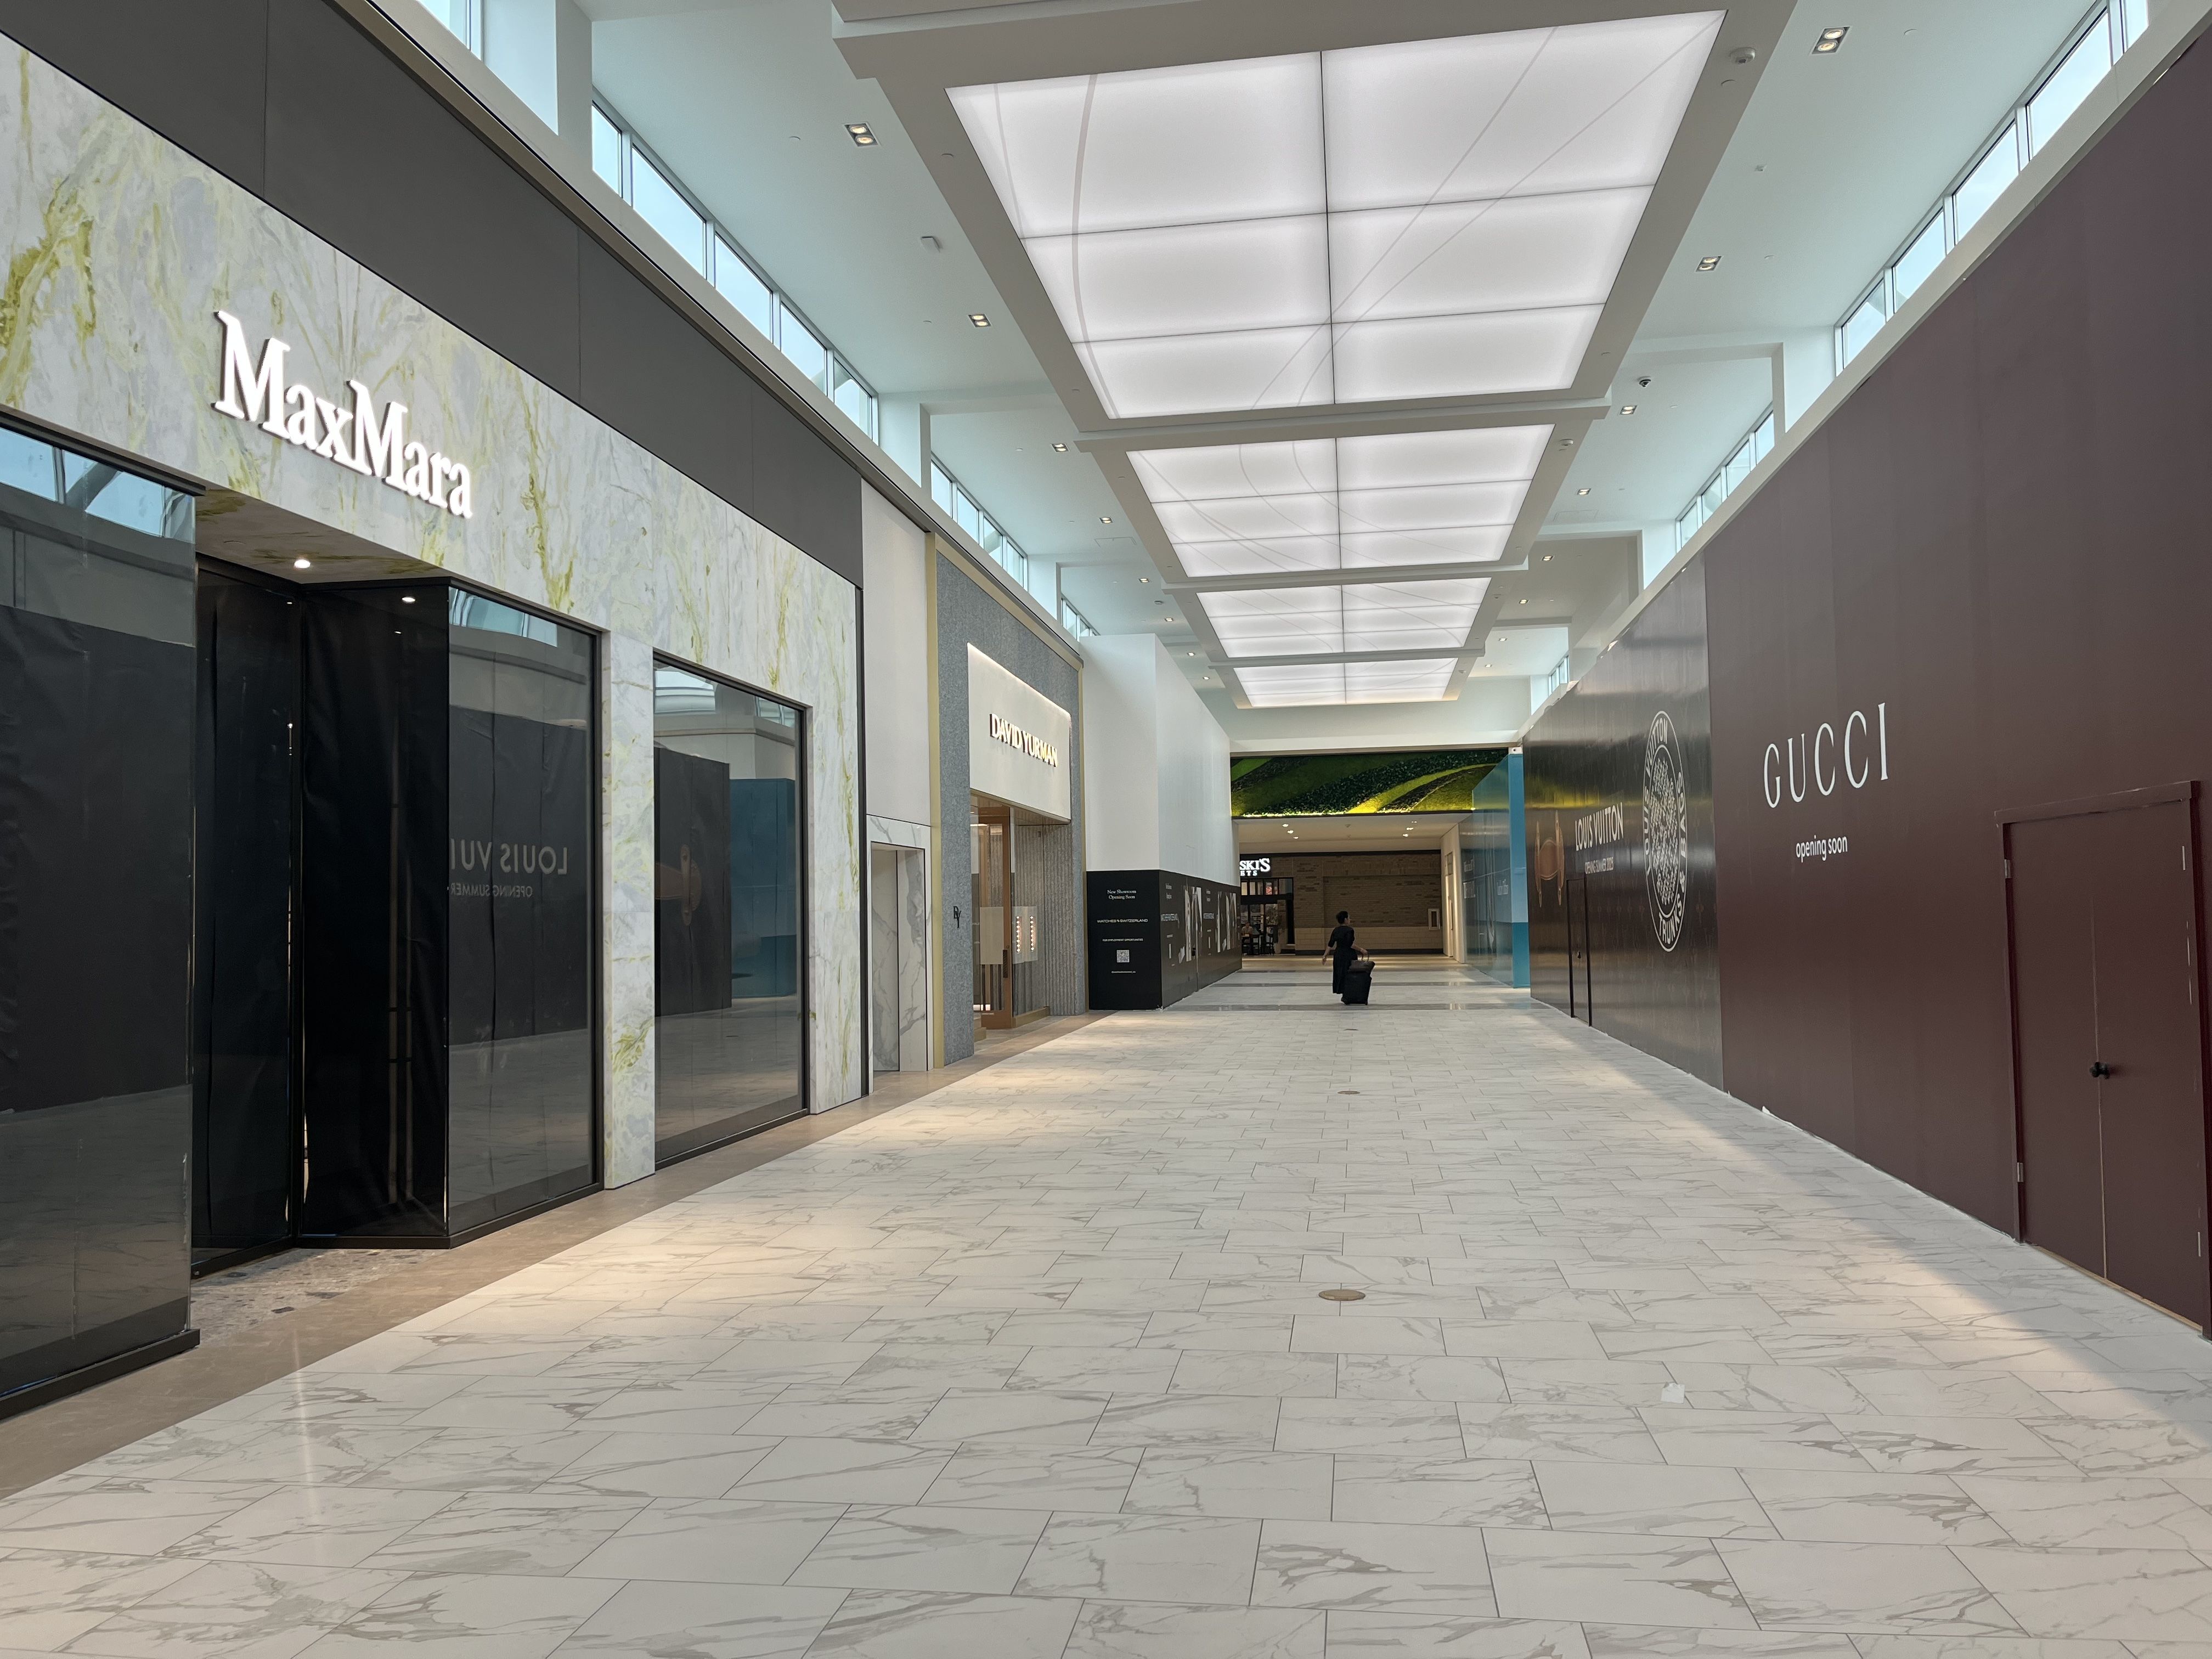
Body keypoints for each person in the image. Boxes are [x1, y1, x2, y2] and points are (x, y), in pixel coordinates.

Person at [1327, 910, 1356, 994]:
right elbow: (1350, 944)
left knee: (1339, 972)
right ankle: (1349, 991)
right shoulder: (1350, 930)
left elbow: (1331, 944)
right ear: (1346, 920)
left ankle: (1341, 990)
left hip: (1338, 954)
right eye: (1349, 918)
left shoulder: (1336, 930)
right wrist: (1361, 950)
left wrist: (1325, 955)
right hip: (1348, 955)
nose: (1350, 920)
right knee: (1348, 972)